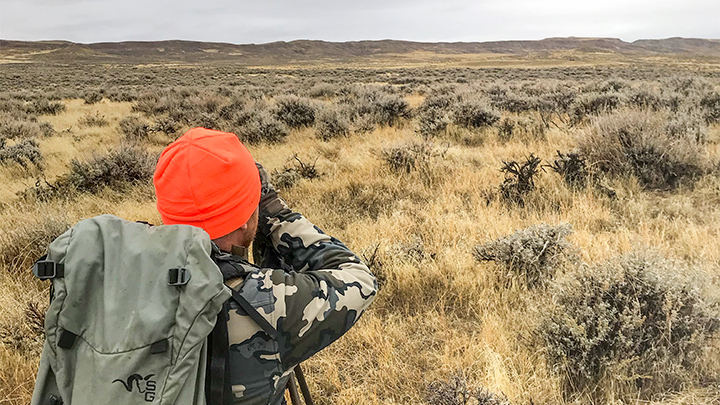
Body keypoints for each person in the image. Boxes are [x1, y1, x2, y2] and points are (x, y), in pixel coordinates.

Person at [153, 127, 377, 405]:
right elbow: (360, 280)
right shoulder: (270, 300)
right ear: (248, 215)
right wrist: (276, 212)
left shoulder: (114, 279)